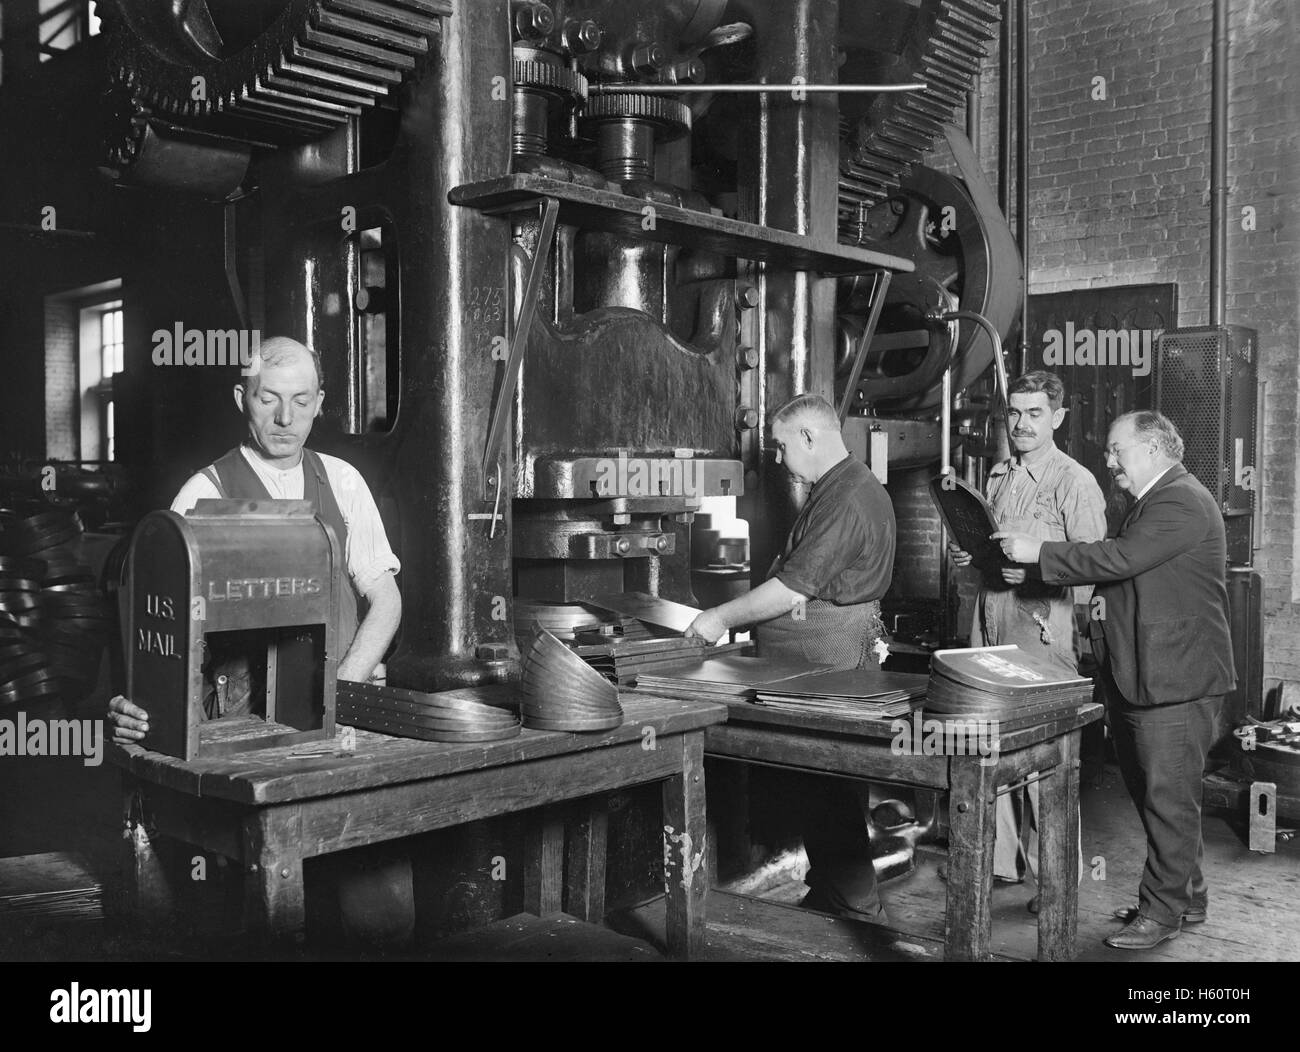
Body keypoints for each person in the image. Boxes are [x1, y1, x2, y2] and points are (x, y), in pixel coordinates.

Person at [995, 410, 1235, 950]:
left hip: (1174, 678)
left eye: (1116, 450)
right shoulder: (1156, 500)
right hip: (1147, 674)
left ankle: (1163, 911)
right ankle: (1183, 898)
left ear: (1151, 449)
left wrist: (1039, 552)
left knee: (1167, 797)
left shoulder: (1180, 500)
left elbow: (1120, 558)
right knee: (1163, 796)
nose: (1108, 461)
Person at [109, 336, 401, 740]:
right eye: (269, 399)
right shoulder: (203, 493)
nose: (286, 418)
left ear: (319, 402)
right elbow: (164, 624)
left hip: (346, 703)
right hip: (242, 717)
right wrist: (142, 704)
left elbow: (385, 597)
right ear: (241, 397)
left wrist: (345, 686)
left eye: (301, 401)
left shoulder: (343, 481)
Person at [685, 392, 896, 922]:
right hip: (815, 655)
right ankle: (835, 890)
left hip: (825, 655)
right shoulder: (841, 487)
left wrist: (717, 620)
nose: (778, 459)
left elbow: (791, 590)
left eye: (781, 447)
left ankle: (854, 904)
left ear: (809, 437)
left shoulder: (847, 497)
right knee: (820, 780)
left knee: (829, 778)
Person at [948, 371, 1106, 899]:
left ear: (1058, 418)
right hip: (989, 615)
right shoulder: (999, 474)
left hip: (1041, 624)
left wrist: (1033, 571)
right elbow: (996, 547)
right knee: (987, 740)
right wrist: (972, 557)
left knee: (1046, 754)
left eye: (1034, 413)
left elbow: (1092, 565)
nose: (1021, 424)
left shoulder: (1075, 481)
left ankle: (1056, 878)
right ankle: (999, 863)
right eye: (1014, 413)